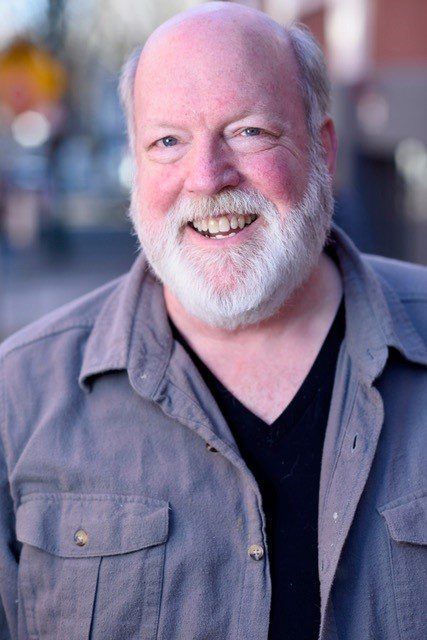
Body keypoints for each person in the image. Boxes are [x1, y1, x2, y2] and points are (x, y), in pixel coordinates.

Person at [0, 3, 426, 639]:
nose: (206, 179)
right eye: (167, 141)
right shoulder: (19, 396)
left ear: (324, 149)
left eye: (250, 131)